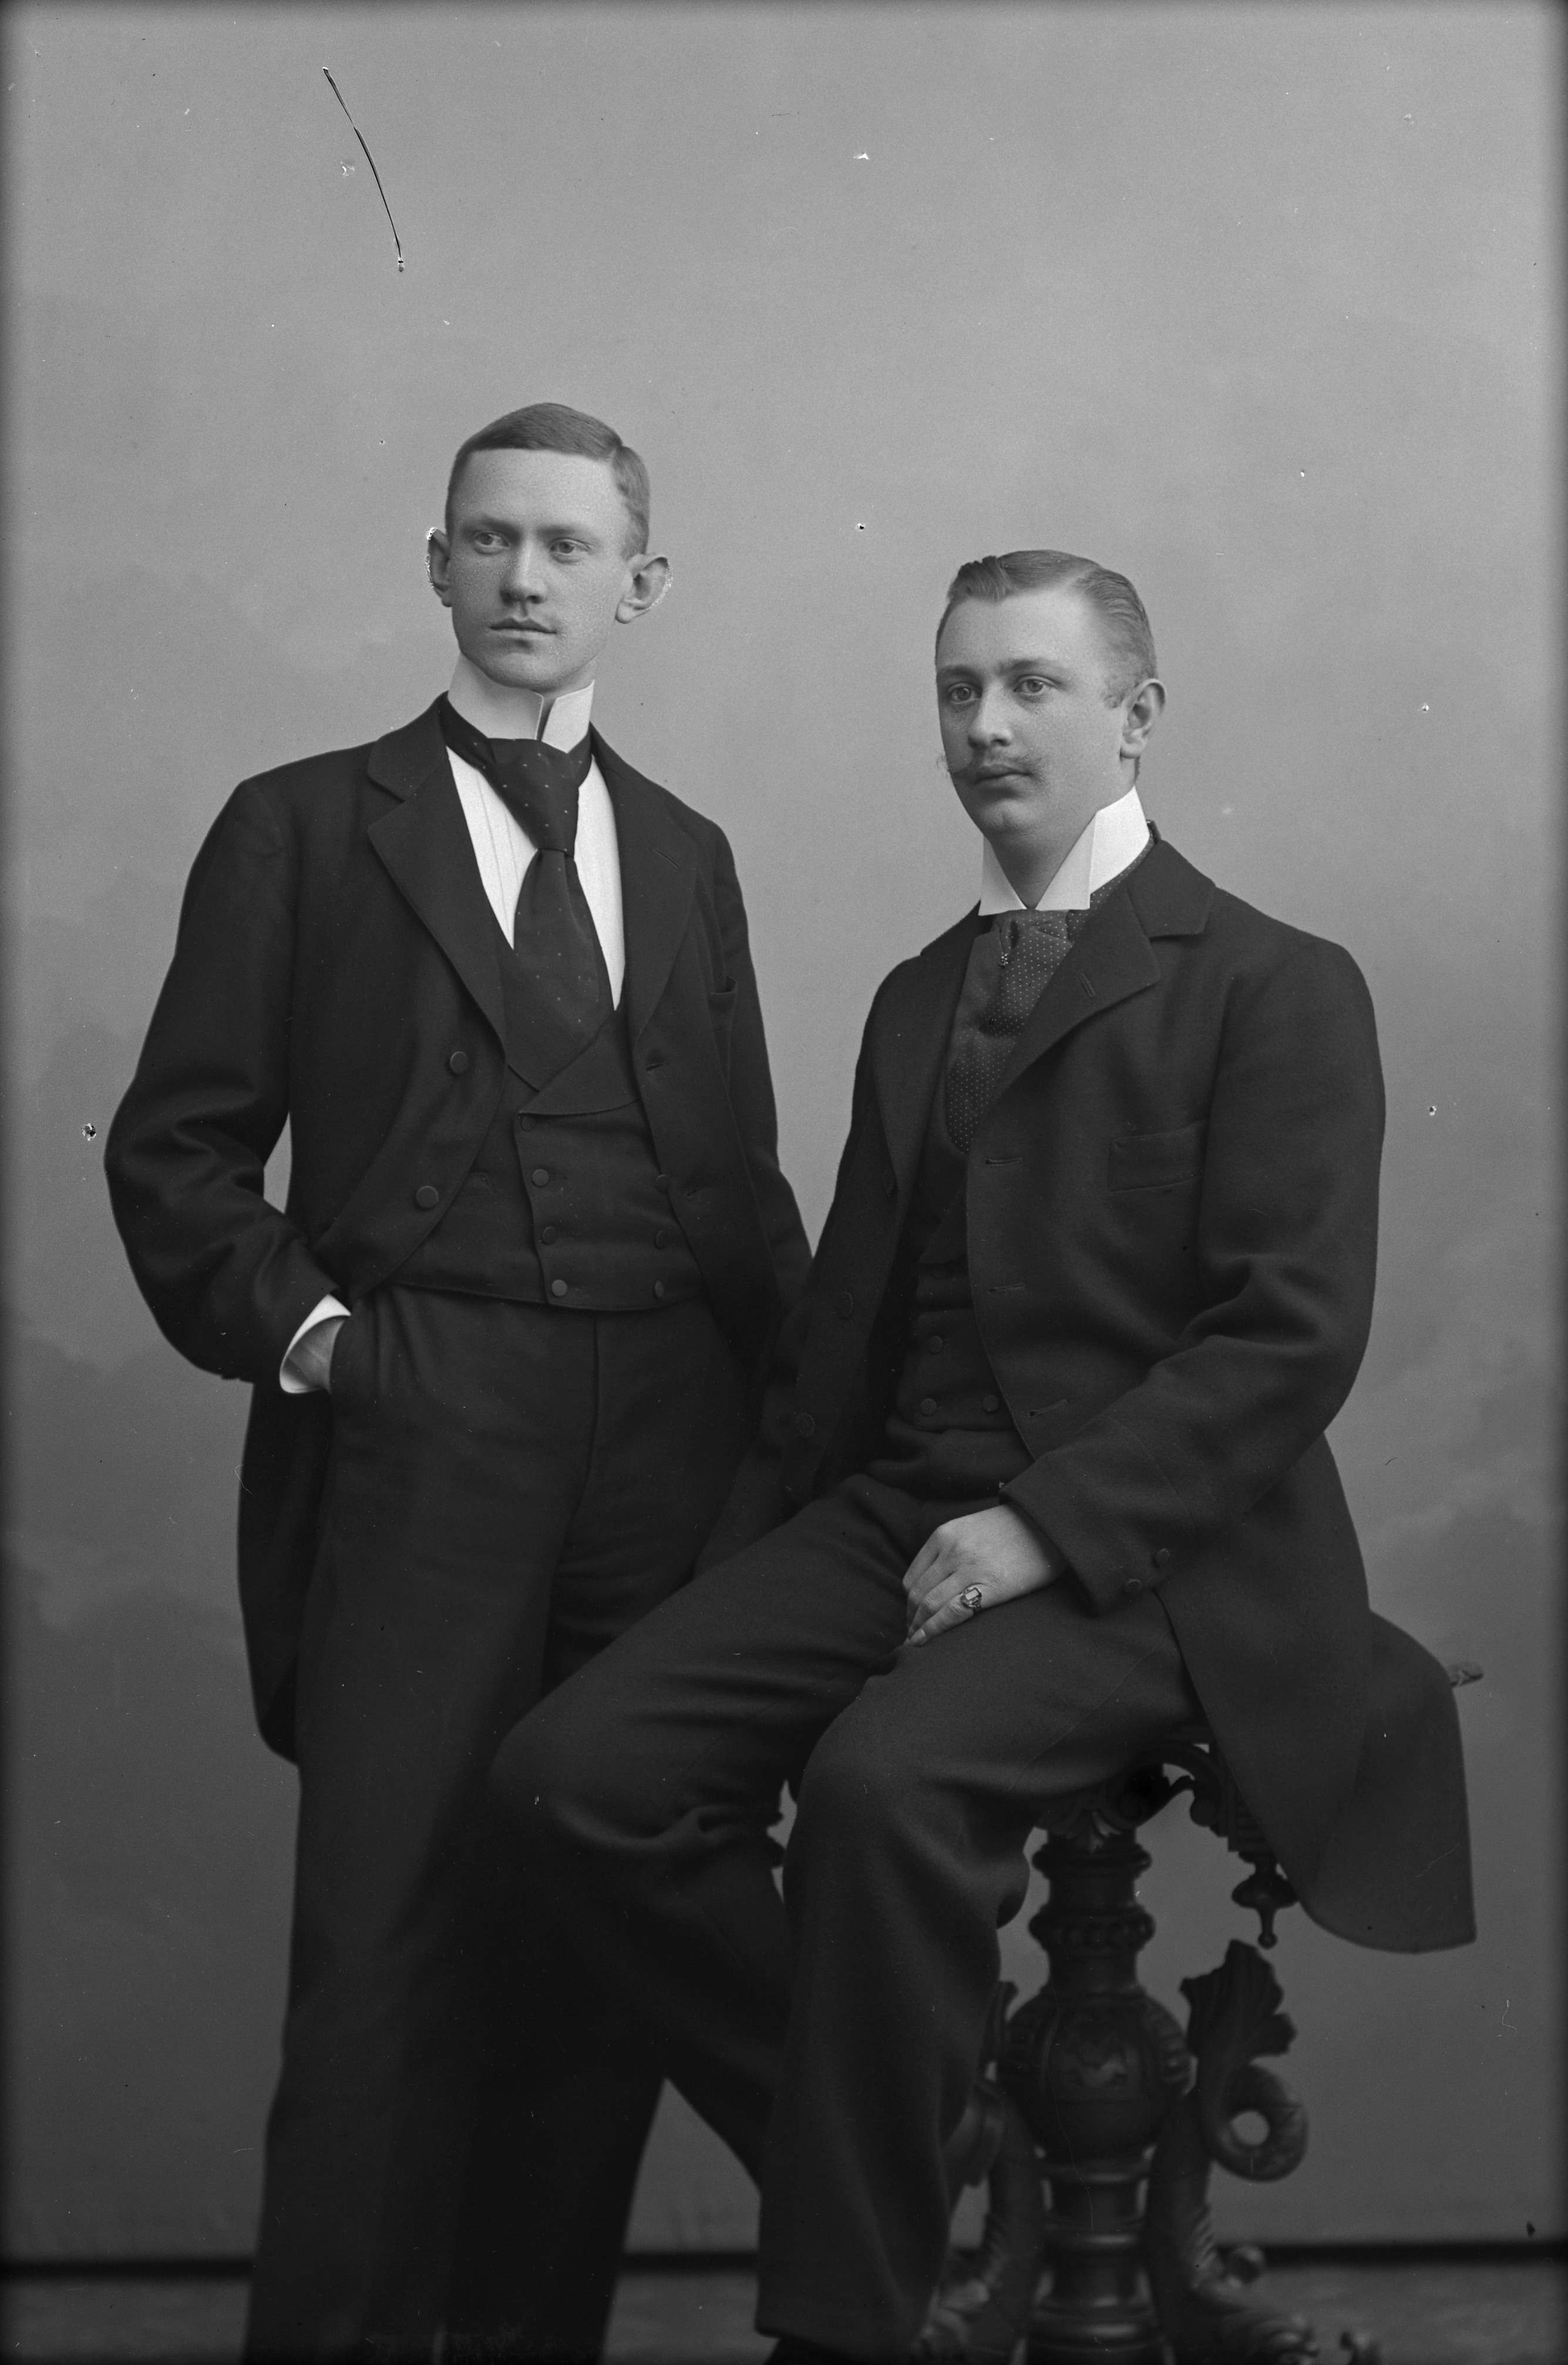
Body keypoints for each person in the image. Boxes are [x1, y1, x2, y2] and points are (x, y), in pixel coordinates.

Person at [490, 549, 1475, 2365]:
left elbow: (1286, 1339)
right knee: (578, 1776)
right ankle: (905, 2136)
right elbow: (836, 1354)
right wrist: (721, 1588)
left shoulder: (1273, 982)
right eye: (958, 690)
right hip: (899, 1503)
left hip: (1159, 1553)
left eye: (1032, 685)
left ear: (1138, 717)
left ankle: (844, 2328)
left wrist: (1040, 1525)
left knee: (878, 1785)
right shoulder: (918, 995)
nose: (986, 725)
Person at [105, 402, 809, 2363]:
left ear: (638, 584)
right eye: (490, 539)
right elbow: (174, 1153)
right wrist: (334, 1344)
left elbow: (741, 1189)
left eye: (568, 546)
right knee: (382, 1945)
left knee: (595, 1928)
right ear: (436, 564)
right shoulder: (299, 826)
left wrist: (807, 1436)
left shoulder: (691, 855)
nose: (523, 577)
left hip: (666, 1439)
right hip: (427, 1420)